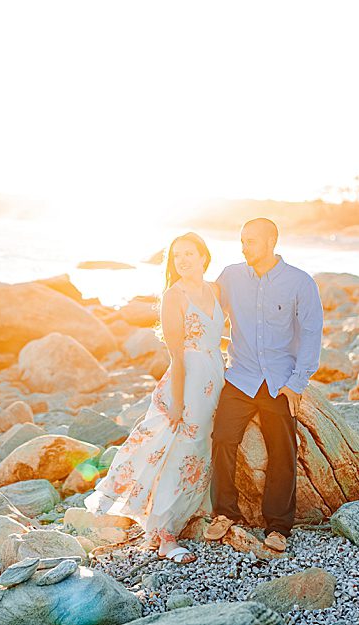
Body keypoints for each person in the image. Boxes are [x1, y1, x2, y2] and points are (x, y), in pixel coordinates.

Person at [85, 232, 225, 564]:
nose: (184, 260)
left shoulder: (216, 290)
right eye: (178, 256)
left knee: (203, 451)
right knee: (178, 451)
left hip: (216, 376)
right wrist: (177, 401)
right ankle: (164, 534)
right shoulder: (174, 297)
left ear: (204, 256)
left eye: (190, 253)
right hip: (188, 382)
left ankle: (192, 512)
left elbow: (217, 335)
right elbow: (176, 355)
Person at [210, 218, 324, 553]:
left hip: (279, 381)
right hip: (240, 376)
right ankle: (224, 513)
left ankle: (278, 527)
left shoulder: (299, 282)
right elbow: (208, 313)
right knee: (221, 439)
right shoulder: (230, 277)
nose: (244, 248)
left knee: (283, 450)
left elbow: (311, 333)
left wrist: (297, 383)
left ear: (271, 241)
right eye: (242, 241)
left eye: (252, 242)